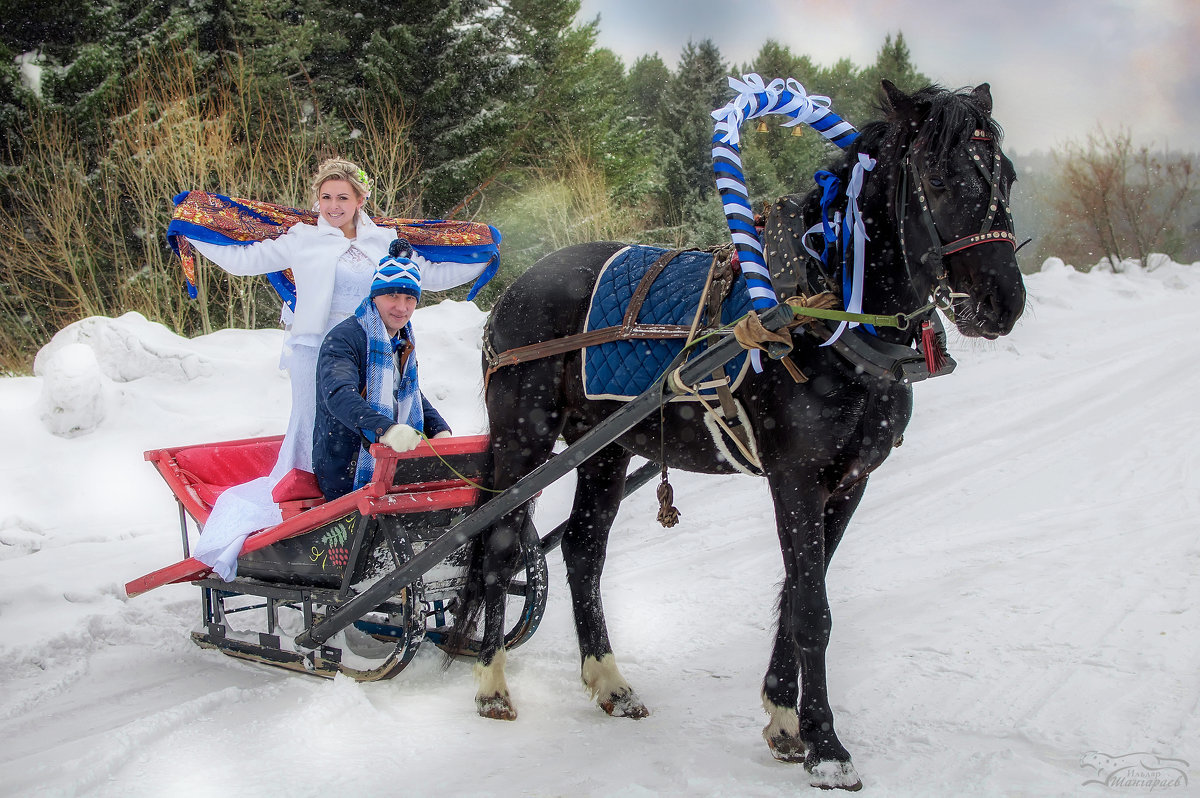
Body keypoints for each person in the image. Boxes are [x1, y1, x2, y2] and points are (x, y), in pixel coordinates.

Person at [180, 158, 474, 580]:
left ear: (360, 199)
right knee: (320, 421)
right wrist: (194, 232)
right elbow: (247, 259)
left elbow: (426, 275)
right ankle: (307, 498)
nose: (332, 206)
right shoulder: (303, 238)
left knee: (384, 404)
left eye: (342, 197)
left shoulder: (384, 242)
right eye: (325, 197)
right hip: (318, 342)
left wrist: (482, 261)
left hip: (374, 337)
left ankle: (366, 489)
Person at [313, 242, 451, 500]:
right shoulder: (344, 339)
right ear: (374, 296)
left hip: (395, 463)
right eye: (392, 296)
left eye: (409, 298)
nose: (401, 307)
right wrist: (385, 430)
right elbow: (340, 395)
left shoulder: (402, 341)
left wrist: (438, 429)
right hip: (347, 467)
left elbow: (406, 393)